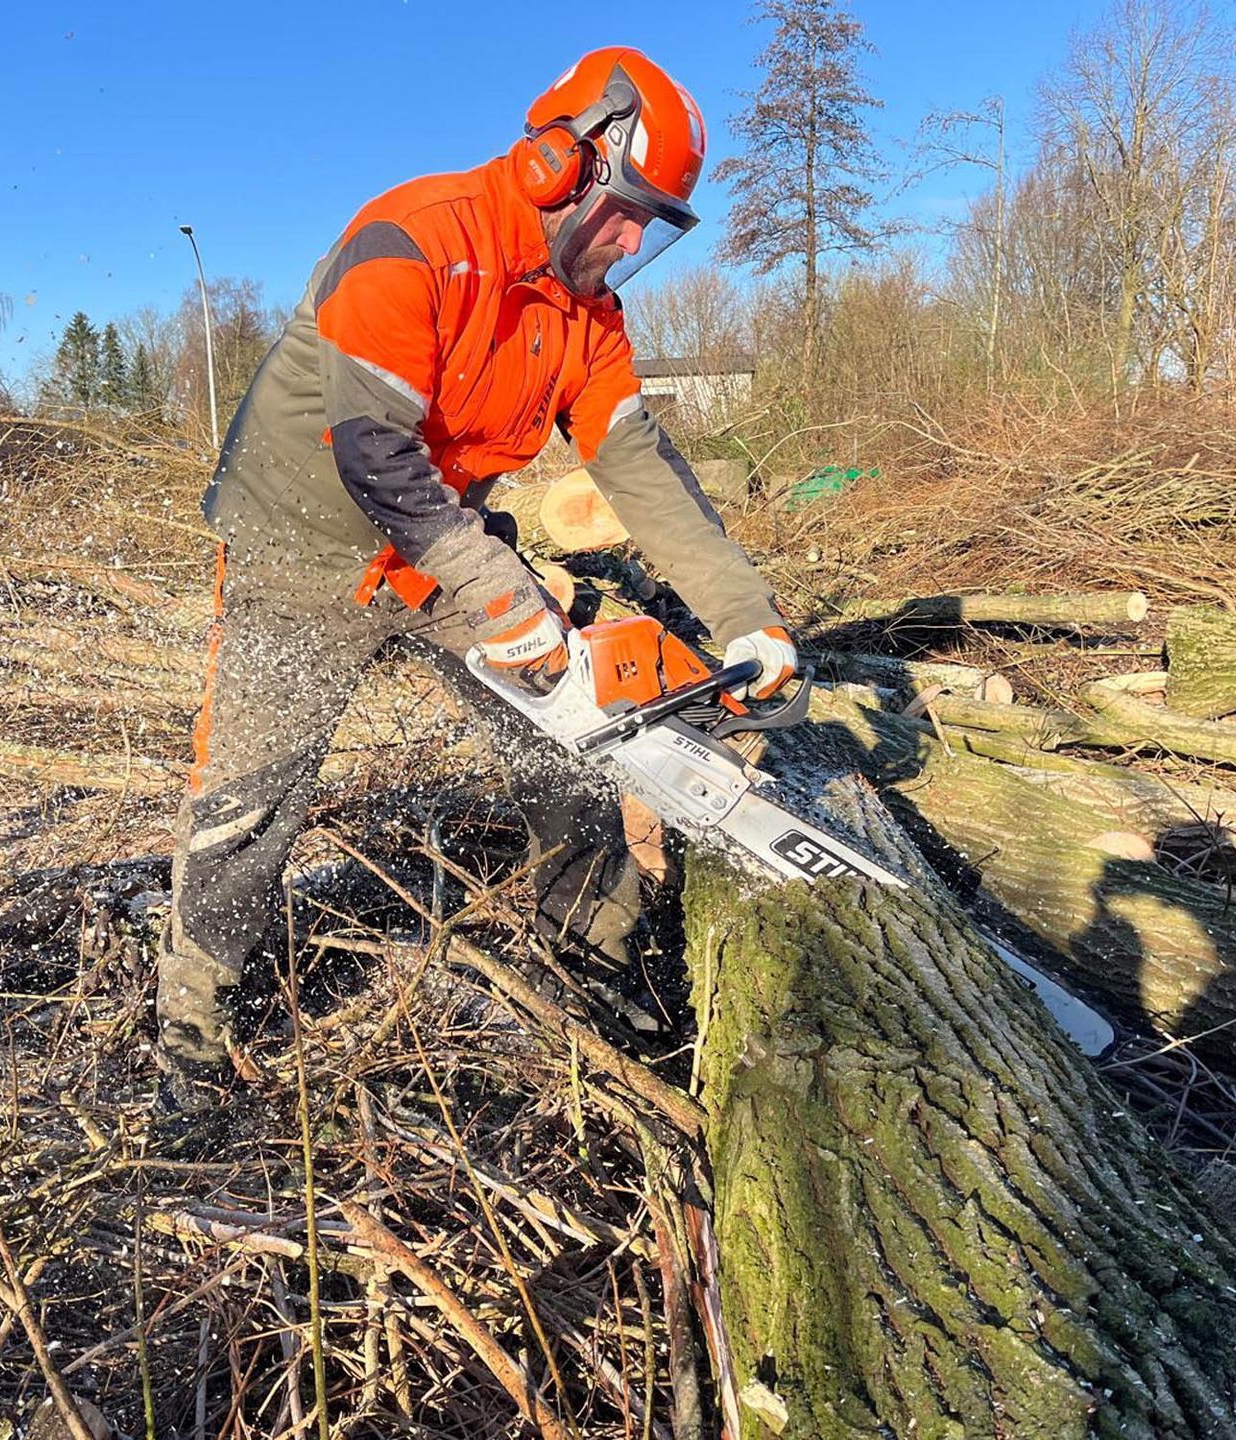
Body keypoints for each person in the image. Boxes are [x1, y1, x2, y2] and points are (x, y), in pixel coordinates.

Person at [156, 47, 797, 1112]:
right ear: (563, 159)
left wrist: (747, 615)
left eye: (654, 223)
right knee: (250, 806)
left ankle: (590, 975)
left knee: (575, 746)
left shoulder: (590, 316)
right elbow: (373, 457)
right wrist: (501, 592)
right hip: (300, 549)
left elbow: (640, 468)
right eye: (629, 209)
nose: (635, 239)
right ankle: (190, 1042)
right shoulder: (413, 239)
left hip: (437, 545)